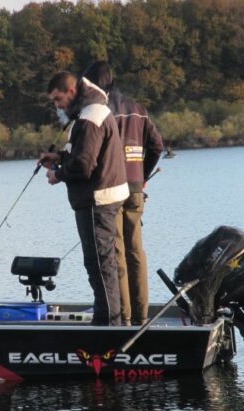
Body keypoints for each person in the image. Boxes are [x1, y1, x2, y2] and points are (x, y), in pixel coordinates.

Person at [39, 71, 130, 326]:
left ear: (71, 92)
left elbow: (84, 166)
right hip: (101, 198)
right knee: (102, 264)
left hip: (97, 201)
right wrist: (60, 157)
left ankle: (110, 327)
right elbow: (84, 155)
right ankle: (110, 321)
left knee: (100, 265)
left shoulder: (90, 116)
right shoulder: (90, 111)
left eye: (58, 99)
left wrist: (58, 174)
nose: (57, 105)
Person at [83, 61, 164, 326]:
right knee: (136, 252)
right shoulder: (138, 110)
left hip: (111, 190)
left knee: (116, 253)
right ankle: (142, 317)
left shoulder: (99, 112)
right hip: (136, 189)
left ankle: (124, 319)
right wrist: (143, 175)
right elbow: (157, 146)